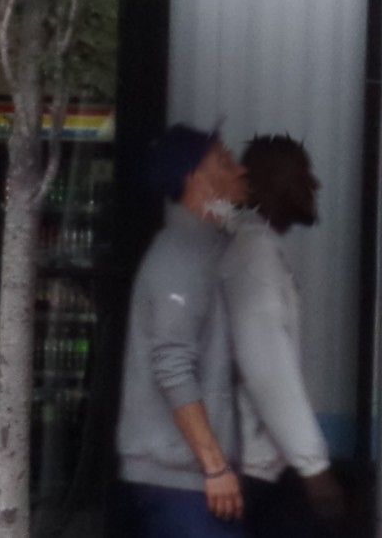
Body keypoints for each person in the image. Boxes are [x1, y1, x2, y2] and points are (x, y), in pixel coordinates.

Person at [117, 123, 249, 536]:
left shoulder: (209, 247)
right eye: (225, 162)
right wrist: (213, 465)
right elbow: (171, 362)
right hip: (180, 479)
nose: (240, 171)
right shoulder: (182, 255)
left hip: (188, 477)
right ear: (196, 179)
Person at [222, 136, 342, 538]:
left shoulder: (252, 246)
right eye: (303, 175)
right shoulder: (254, 254)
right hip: (253, 470)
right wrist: (314, 467)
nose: (315, 185)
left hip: (259, 465)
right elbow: (267, 369)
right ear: (273, 183)